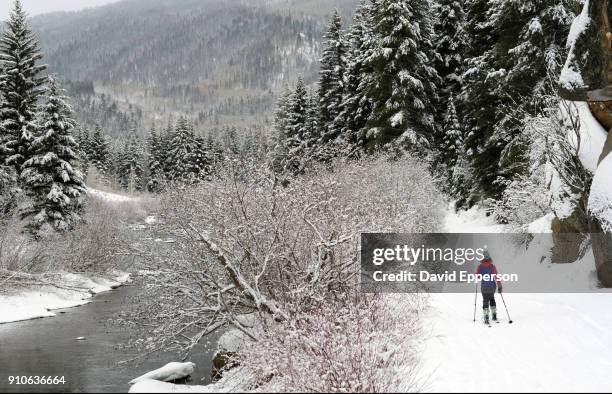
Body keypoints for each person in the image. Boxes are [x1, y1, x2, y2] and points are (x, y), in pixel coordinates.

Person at [476, 251, 502, 324]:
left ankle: (486, 316)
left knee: (485, 300)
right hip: (492, 286)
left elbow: (477, 276)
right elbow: (497, 276)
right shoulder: (492, 266)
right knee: (492, 298)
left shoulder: (480, 267)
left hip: (484, 286)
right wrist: (499, 286)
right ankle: (494, 315)